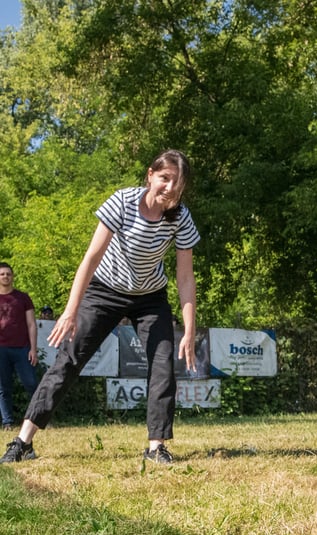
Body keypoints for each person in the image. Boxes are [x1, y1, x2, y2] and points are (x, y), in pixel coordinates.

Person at [0, 149, 200, 465]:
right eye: (165, 178)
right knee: (69, 358)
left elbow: (185, 277)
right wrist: (70, 311)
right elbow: (91, 259)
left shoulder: (181, 218)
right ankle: (23, 441)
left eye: (178, 183)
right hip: (105, 290)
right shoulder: (122, 202)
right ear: (150, 175)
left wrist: (189, 329)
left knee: (162, 363)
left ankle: (156, 446)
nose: (170, 188)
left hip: (150, 297)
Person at [0, 262, 38, 431]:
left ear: (12, 277)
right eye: (2, 274)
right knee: (3, 388)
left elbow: (31, 324)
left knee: (31, 384)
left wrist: (33, 349)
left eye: (8, 274)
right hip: (1, 349)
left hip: (22, 349)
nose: (5, 277)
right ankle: (7, 422)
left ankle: (38, 419)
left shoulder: (23, 298)